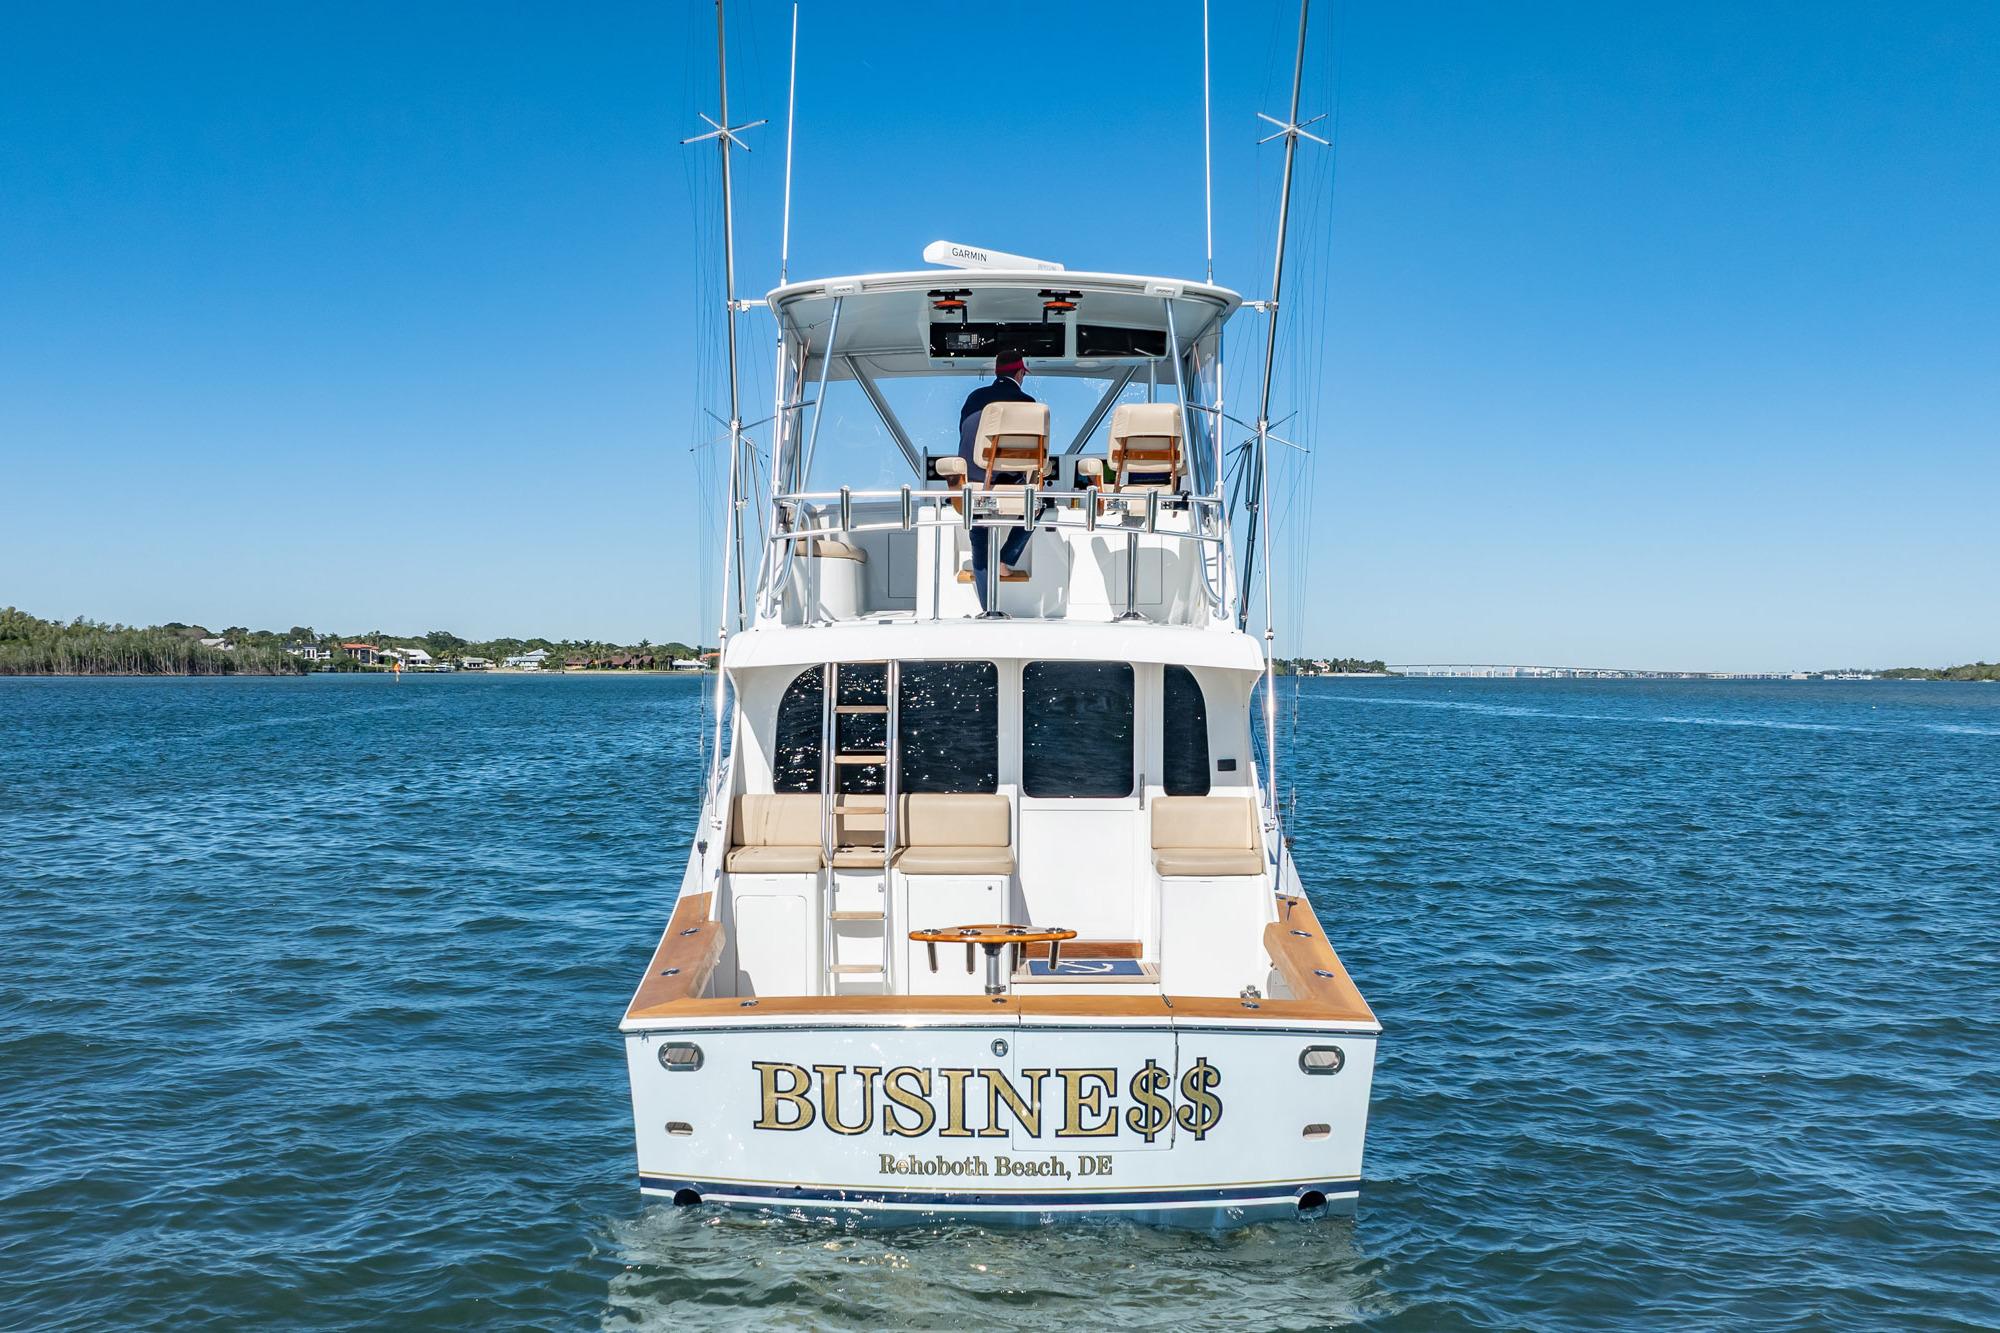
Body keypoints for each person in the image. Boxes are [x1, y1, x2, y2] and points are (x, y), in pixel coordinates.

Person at [957, 352, 1036, 608]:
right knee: (1037, 505)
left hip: (974, 483)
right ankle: (1005, 559)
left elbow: (966, 437)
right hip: (1009, 488)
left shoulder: (974, 398)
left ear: (996, 373)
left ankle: (988, 609)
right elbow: (1032, 454)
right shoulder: (1028, 403)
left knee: (979, 538)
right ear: (1020, 373)